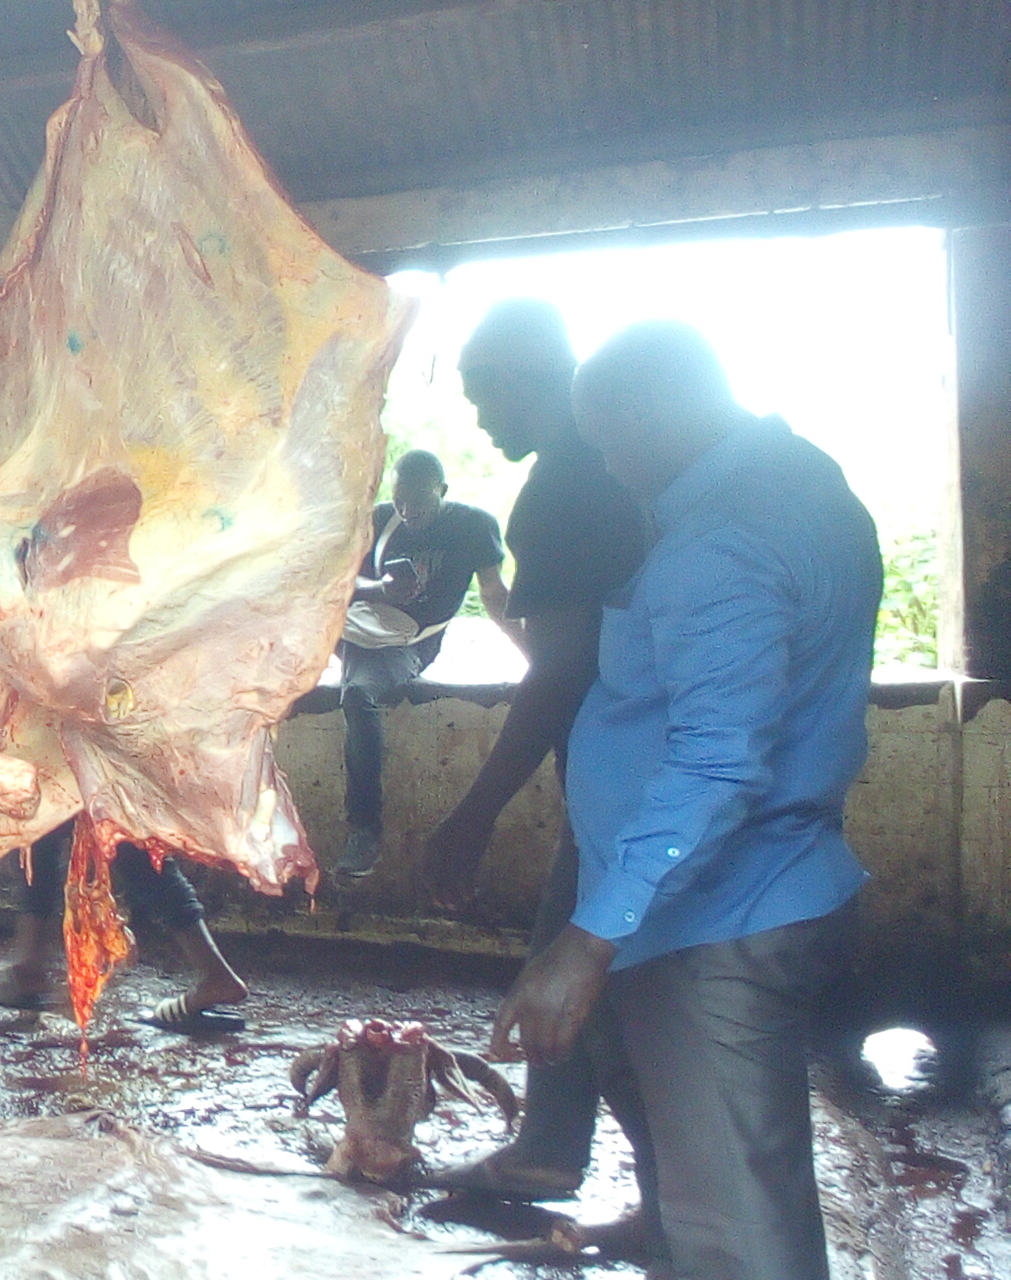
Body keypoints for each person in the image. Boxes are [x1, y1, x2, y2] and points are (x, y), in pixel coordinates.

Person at [491, 321, 876, 1280]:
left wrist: (588, 939)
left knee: (738, 1225)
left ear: (644, 412)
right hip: (740, 892)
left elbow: (716, 763)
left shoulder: (723, 543)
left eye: (610, 441)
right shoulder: (801, 480)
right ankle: (665, 1233)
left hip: (717, 917)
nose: (611, 468)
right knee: (709, 1170)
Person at [420, 300, 659, 1213]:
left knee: (579, 977)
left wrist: (473, 814)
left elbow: (562, 668)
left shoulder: (561, 491)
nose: (481, 419)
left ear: (534, 378)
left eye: (486, 397)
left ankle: (646, 1193)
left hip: (622, 778)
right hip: (634, 769)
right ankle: (559, 1149)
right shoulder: (618, 473)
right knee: (577, 962)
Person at [332, 449, 510, 878]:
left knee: (358, 694)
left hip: (410, 642)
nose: (408, 512)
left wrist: (534, 655)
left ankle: (365, 830)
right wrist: (380, 589)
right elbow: (334, 580)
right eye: (400, 501)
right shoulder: (378, 519)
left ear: (443, 492)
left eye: (419, 502)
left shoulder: (473, 527)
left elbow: (493, 594)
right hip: (357, 627)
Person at [0, 821, 250, 1033]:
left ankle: (29, 966)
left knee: (58, 826)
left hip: (87, 737)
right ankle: (28, 964)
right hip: (101, 738)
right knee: (115, 840)